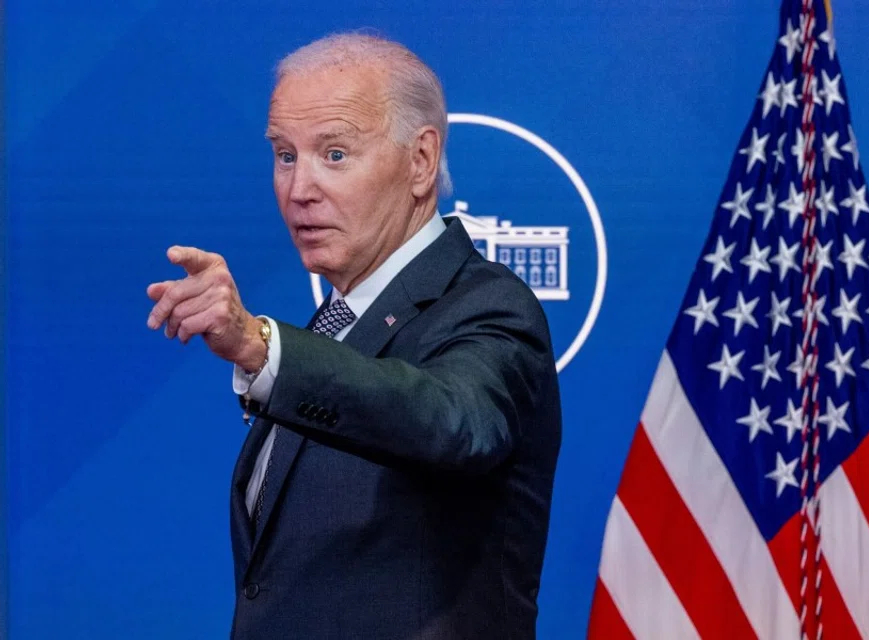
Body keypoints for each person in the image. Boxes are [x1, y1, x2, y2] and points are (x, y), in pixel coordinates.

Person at [145, 33, 562, 639]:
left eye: (335, 154)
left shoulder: (489, 305)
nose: (299, 188)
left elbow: (454, 423)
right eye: (285, 155)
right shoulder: (339, 322)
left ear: (420, 161)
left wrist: (262, 347)